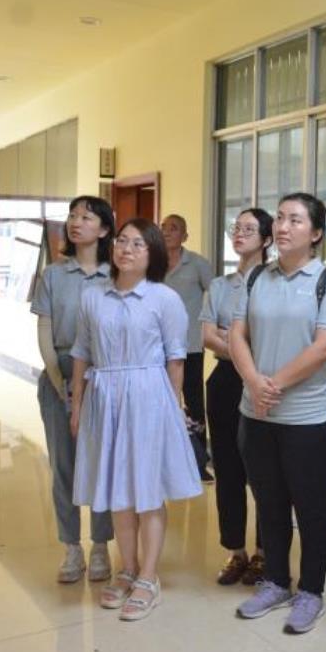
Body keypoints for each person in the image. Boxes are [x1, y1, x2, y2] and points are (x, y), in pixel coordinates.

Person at [69, 218, 203, 621]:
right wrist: (77, 405)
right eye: (122, 241)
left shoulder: (164, 298)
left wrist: (173, 411)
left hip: (148, 397)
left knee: (146, 490)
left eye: (138, 244)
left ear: (153, 253)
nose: (126, 249)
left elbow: (176, 359)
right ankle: (126, 568)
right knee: (118, 490)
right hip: (104, 397)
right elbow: (81, 353)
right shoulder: (92, 296)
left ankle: (148, 577)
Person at [229, 192, 326, 635]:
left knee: (312, 510)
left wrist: (273, 385)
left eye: (295, 220)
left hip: (306, 417)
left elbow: (325, 346)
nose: (282, 227)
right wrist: (253, 382)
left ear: (315, 233)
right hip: (256, 414)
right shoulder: (257, 276)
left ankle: (311, 591)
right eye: (280, 218)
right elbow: (237, 335)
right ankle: (276, 582)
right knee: (269, 504)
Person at [30, 195, 116, 584]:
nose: (76, 222)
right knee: (63, 466)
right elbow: (45, 330)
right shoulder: (53, 275)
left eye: (86, 217)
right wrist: (58, 380)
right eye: (72, 215)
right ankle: (71, 547)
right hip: (60, 373)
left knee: (101, 465)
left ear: (104, 229)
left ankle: (100, 544)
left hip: (104, 376)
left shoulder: (116, 275)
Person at [200, 208, 273, 586]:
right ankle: (236, 551)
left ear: (267, 239)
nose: (239, 234)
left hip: (263, 380)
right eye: (236, 228)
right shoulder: (219, 285)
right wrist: (243, 347)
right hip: (226, 380)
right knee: (227, 468)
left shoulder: (274, 282)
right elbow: (207, 335)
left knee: (263, 470)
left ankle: (265, 552)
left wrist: (233, 340)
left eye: (249, 229)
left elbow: (271, 339)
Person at [162, 213, 216, 481]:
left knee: (194, 405)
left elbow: (216, 294)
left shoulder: (197, 264)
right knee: (161, 402)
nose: (166, 232)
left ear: (184, 236)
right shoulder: (152, 263)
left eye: (173, 228)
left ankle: (197, 463)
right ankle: (164, 460)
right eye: (163, 227)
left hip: (190, 346)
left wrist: (211, 327)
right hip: (157, 347)